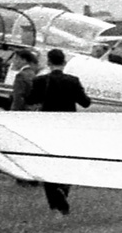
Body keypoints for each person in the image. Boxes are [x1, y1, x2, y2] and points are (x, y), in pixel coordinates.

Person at [29, 48, 91, 214]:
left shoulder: (40, 81)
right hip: (68, 127)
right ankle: (63, 188)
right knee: (67, 161)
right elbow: (85, 103)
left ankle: (54, 202)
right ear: (64, 62)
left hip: (47, 127)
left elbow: (31, 100)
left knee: (48, 163)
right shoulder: (73, 80)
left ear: (48, 62)